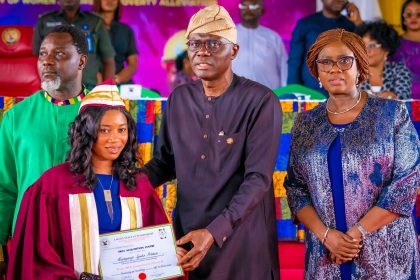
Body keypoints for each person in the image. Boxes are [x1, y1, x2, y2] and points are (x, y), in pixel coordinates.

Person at [145, 5, 282, 280]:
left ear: (234, 51)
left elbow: (258, 179)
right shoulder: (179, 99)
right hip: (191, 236)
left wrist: (214, 231)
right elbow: (165, 162)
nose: (202, 51)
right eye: (195, 43)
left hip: (243, 238)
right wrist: (121, 185)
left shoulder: (261, 101)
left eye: (213, 43)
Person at [284, 28, 419, 279]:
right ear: (317, 72)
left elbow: (405, 185)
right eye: (325, 62)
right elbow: (295, 189)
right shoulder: (306, 123)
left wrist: (352, 236)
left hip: (384, 256)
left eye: (345, 60)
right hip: (326, 255)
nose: (335, 69)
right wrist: (327, 236)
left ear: (360, 66)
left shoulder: (392, 115)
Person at [6, 82, 170, 279]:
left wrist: (166, 257)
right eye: (104, 130)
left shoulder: (138, 185)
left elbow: (156, 247)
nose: (115, 139)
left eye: (121, 130)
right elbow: (38, 256)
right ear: (86, 133)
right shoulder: (53, 185)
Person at [0, 25, 88, 278]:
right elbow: (4, 186)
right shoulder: (16, 117)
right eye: (42, 54)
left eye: (59, 54)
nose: (47, 61)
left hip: (85, 237)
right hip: (28, 238)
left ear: (81, 61)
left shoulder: (103, 113)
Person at [33, 0, 115, 89]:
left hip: (88, 87)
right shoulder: (45, 21)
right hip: (54, 87)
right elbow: (37, 57)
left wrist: (107, 89)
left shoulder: (95, 21)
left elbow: (108, 60)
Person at [287, 0, 362, 96]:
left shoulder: (352, 25)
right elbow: (294, 61)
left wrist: (359, 24)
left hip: (343, 93)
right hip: (311, 92)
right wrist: (294, 92)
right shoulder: (305, 24)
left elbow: (364, 56)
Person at [232, 0, 288, 89]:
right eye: (244, 5)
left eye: (253, 5)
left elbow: (284, 68)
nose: (248, 10)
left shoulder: (273, 37)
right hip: (236, 96)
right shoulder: (228, 35)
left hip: (269, 96)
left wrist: (284, 95)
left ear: (262, 10)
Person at [356, 21, 412, 100]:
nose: (366, 50)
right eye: (362, 45)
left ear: (386, 49)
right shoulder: (353, 72)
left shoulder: (400, 70)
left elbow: (403, 99)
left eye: (372, 45)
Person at [93, 0, 138, 85]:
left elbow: (133, 65)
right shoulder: (89, 28)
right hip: (92, 84)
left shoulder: (126, 30)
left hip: (119, 85)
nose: (109, 1)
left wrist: (116, 80)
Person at [390, 0, 420, 99]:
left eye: (418, 14)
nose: (414, 17)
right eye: (409, 14)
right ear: (403, 19)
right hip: (401, 101)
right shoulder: (393, 43)